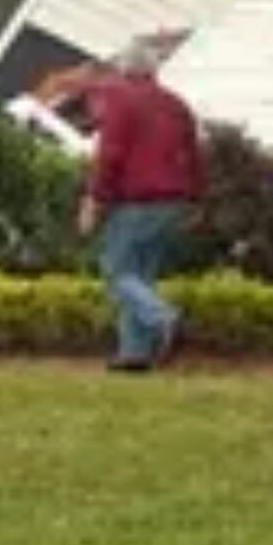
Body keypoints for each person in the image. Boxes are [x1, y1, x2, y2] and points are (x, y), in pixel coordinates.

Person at [78, 51, 204, 373]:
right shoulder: (177, 104)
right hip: (174, 203)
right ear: (154, 70)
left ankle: (164, 319)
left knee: (115, 270)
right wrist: (196, 199)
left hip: (138, 201)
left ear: (124, 70)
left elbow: (111, 153)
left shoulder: (121, 99)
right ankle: (134, 355)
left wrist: (93, 199)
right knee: (140, 277)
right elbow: (193, 154)